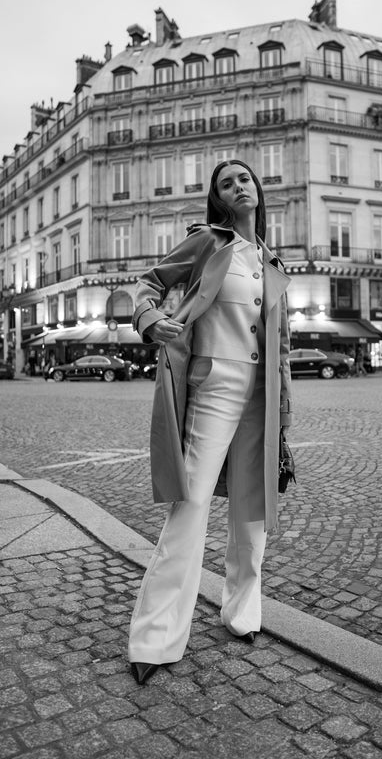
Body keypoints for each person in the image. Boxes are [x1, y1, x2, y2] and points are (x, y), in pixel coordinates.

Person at [128, 160, 292, 685]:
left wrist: (284, 421)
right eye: (226, 183)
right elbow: (149, 283)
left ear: (258, 188)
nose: (238, 186)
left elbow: (281, 350)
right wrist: (149, 318)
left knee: (252, 514)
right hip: (214, 387)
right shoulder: (208, 244)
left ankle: (242, 612)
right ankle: (154, 640)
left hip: (260, 396)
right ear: (219, 201)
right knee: (191, 505)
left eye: (245, 178)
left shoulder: (272, 262)